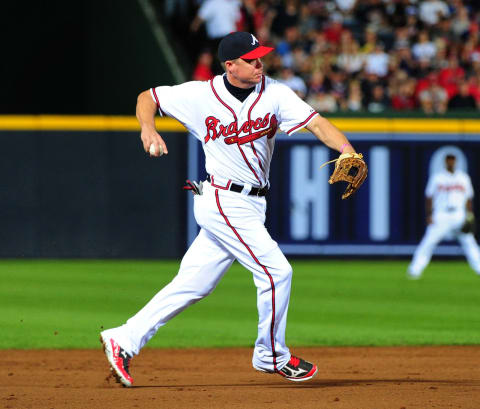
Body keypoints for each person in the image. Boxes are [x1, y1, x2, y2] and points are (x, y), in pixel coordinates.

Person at [100, 31, 363, 387]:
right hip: (223, 199)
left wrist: (345, 149)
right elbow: (148, 97)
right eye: (251, 60)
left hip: (253, 204)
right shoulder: (198, 95)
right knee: (276, 272)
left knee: (193, 284)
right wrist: (148, 128)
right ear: (230, 65)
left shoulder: (276, 93)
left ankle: (124, 338)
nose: (260, 64)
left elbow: (316, 122)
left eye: (261, 57)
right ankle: (271, 354)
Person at [407, 153, 480, 279]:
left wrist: (469, 215)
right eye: (449, 161)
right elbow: (429, 197)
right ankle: (415, 270)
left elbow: (468, 198)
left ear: (455, 162)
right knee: (428, 242)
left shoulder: (463, 178)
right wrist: (429, 214)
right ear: (445, 162)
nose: (451, 163)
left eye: (452, 160)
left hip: (459, 215)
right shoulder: (438, 177)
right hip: (441, 215)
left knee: (470, 243)